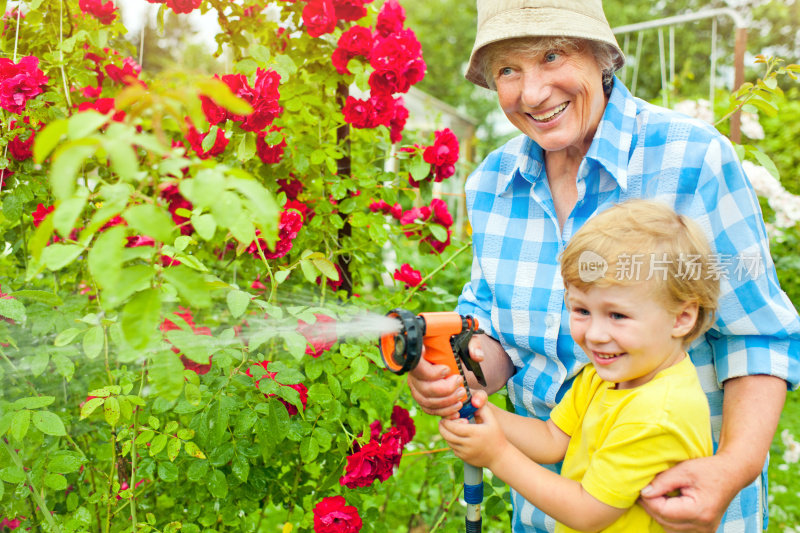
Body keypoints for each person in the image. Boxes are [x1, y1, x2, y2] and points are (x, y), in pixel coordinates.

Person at [407, 1, 800, 531]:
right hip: (546, 513)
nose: (532, 92)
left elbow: (759, 335)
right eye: (507, 70)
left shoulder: (692, 158)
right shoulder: (491, 184)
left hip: (680, 511)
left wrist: (733, 468)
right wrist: (460, 366)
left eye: (551, 56)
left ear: (600, 55)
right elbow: (493, 331)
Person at [440, 200, 719, 532]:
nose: (596, 335)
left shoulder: (658, 413)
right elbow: (552, 438)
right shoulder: (606, 377)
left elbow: (588, 512)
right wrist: (478, 409)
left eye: (617, 315)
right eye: (582, 311)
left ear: (681, 318)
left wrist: (497, 455)